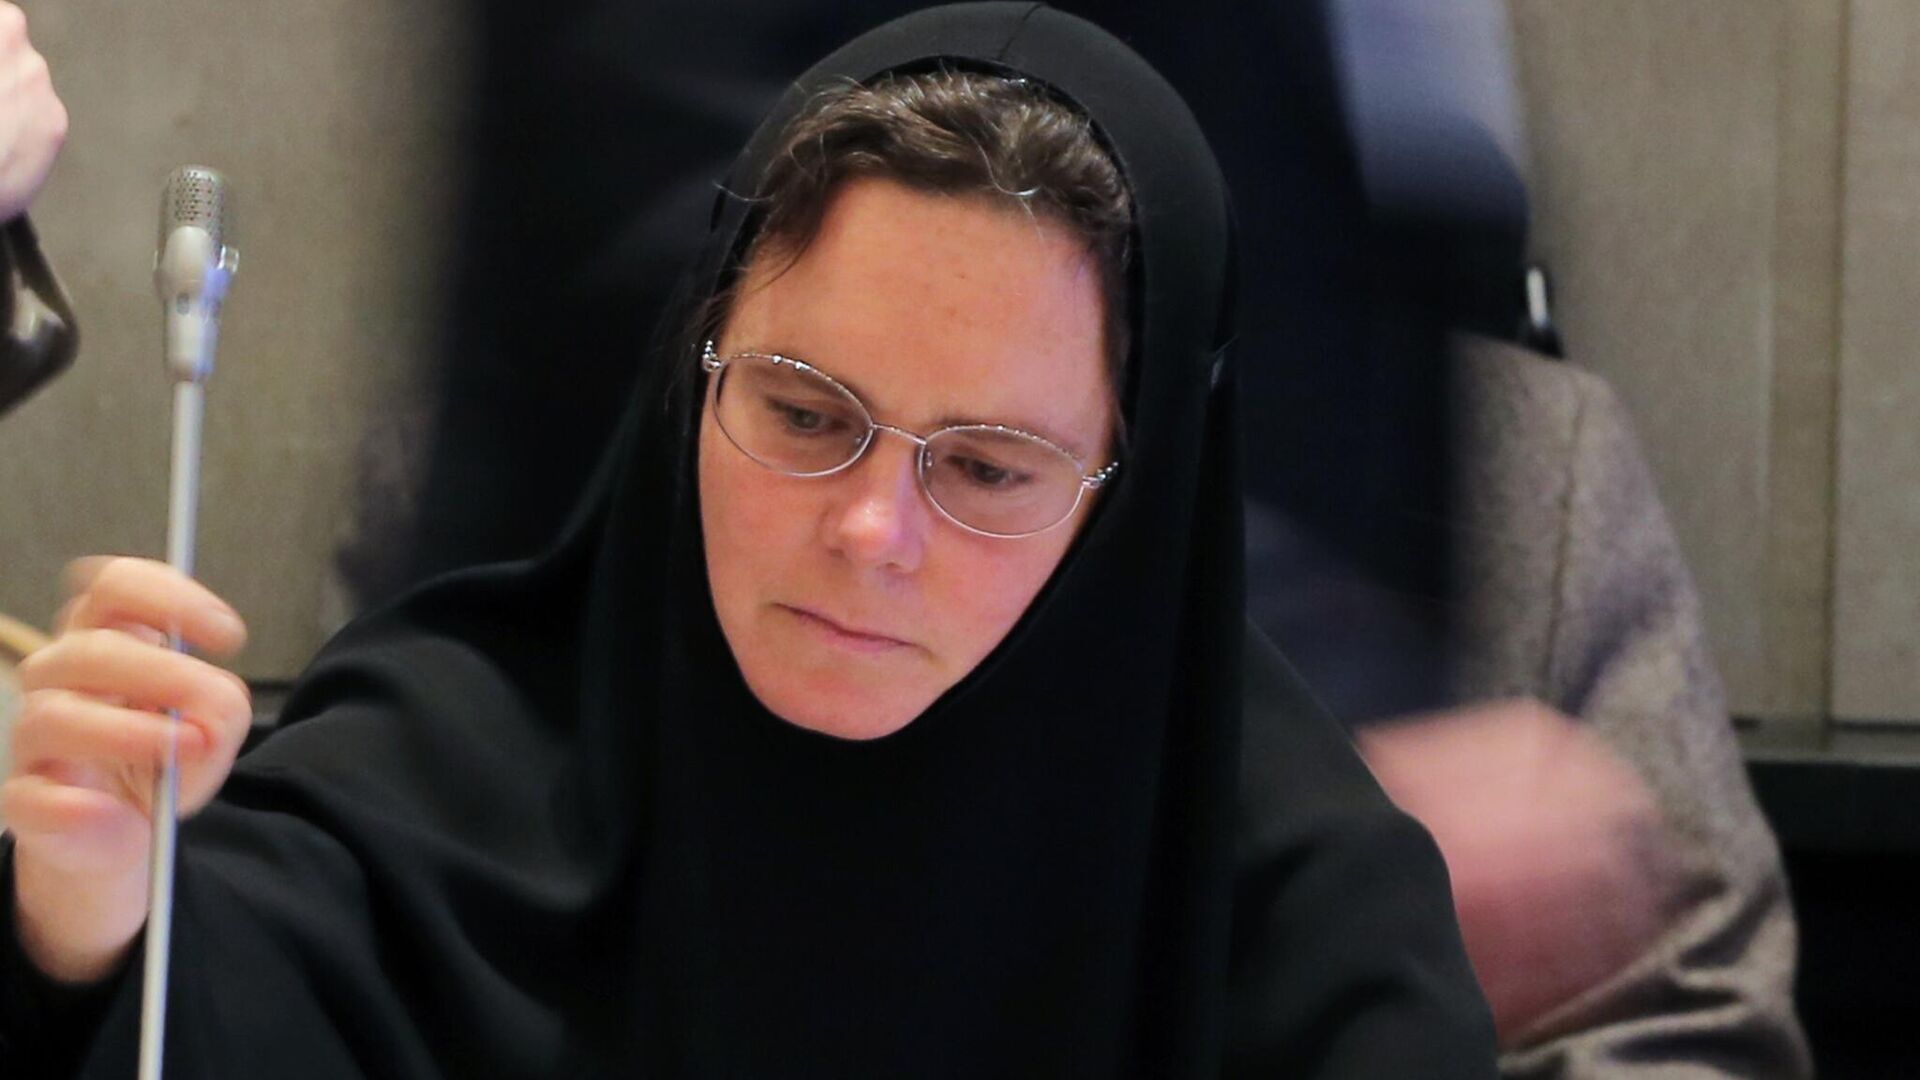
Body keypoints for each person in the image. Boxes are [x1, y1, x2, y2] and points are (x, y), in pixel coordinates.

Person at [0, 5, 1499, 1075]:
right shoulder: (432, 782)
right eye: (802, 412)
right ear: (694, 370)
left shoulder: (1308, 923)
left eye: (987, 469)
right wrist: (84, 924)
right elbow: (193, 999)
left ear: (1134, 490)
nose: (870, 529)